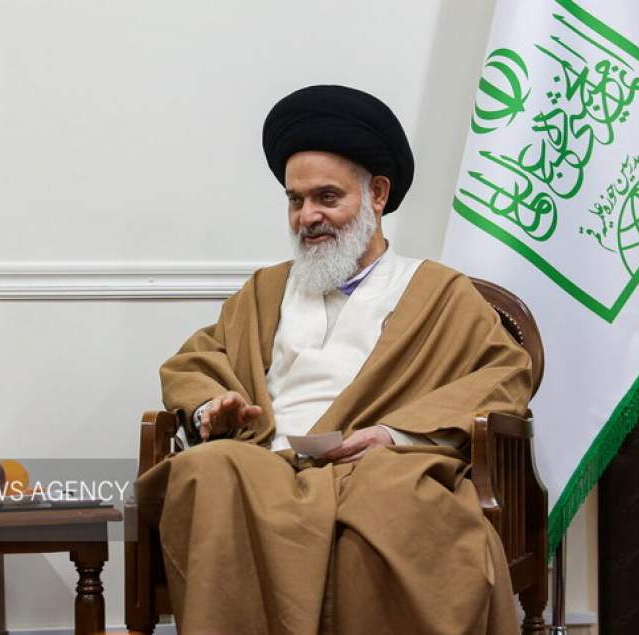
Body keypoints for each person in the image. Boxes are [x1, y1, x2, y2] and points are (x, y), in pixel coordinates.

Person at [136, 84, 532, 635]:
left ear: (377, 195)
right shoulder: (265, 290)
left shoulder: (439, 292)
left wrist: (394, 435)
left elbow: (504, 375)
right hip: (265, 465)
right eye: (295, 201)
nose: (308, 217)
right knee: (206, 469)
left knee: (395, 503)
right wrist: (211, 406)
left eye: (327, 197)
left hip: (378, 466)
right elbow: (196, 363)